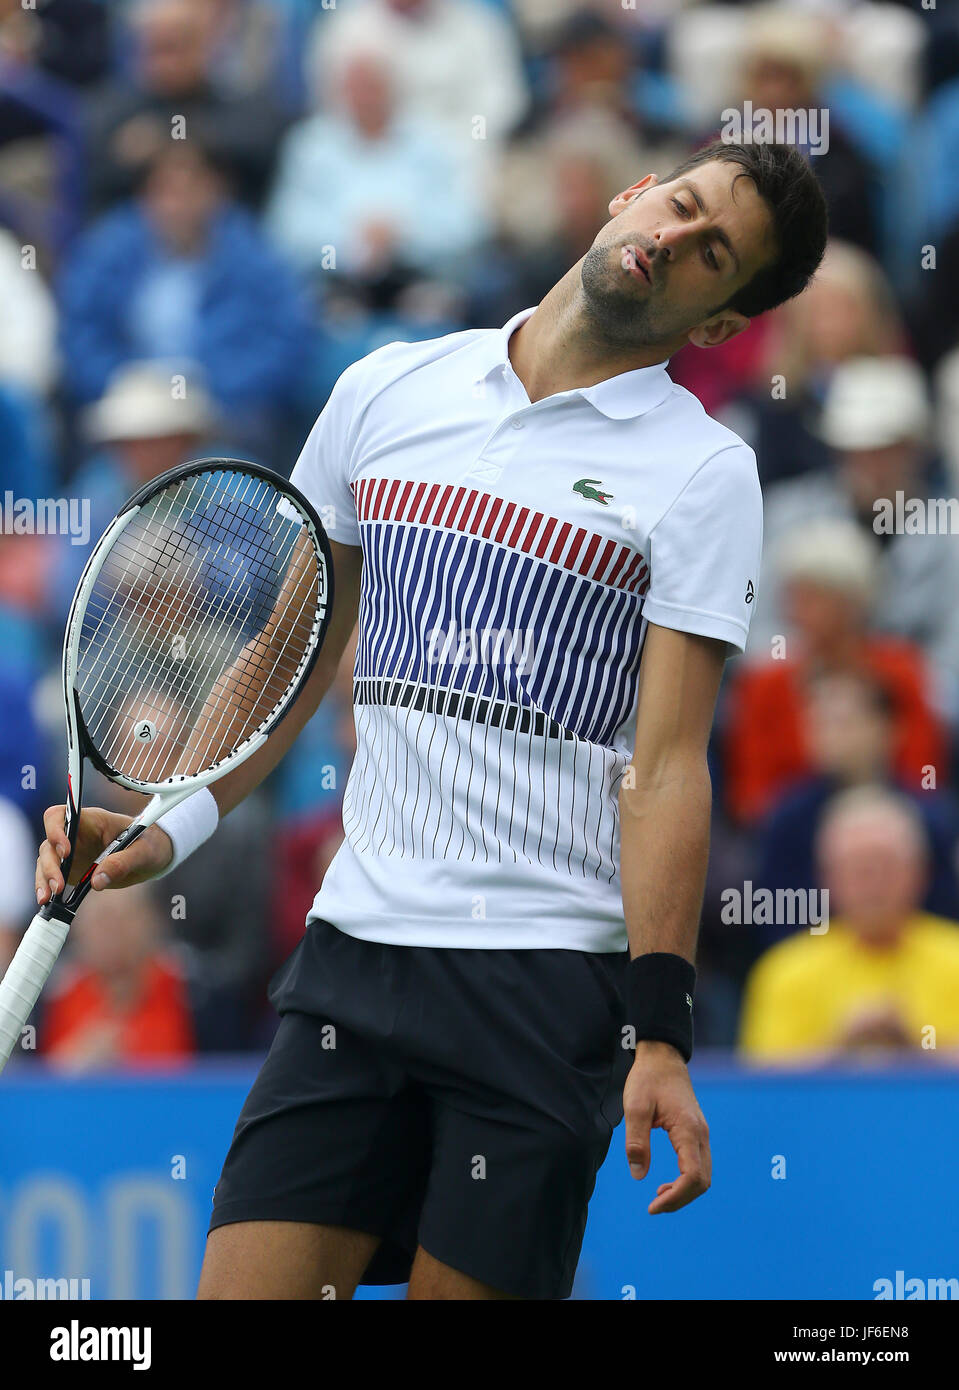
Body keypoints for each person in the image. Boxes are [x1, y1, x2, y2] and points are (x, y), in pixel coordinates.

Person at [36, 140, 829, 1300]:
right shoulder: (386, 387)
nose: (671, 237)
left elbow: (662, 770)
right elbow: (290, 652)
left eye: (712, 251)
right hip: (354, 956)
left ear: (716, 325)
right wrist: (167, 825)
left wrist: (659, 1034)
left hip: (546, 987)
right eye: (680, 202)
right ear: (630, 195)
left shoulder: (702, 473)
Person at [739, 787, 959, 1063]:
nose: (873, 884)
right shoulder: (785, 972)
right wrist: (840, 1045)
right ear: (827, 878)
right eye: (858, 869)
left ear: (920, 872)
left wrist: (914, 1045)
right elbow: (759, 1086)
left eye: (886, 866)